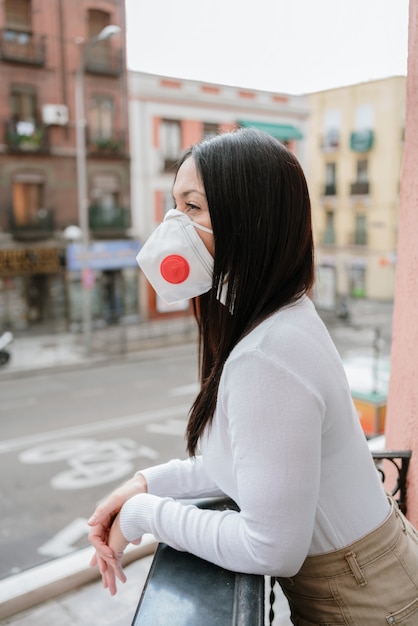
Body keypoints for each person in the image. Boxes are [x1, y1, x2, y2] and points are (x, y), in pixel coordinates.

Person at [88, 128, 418, 624]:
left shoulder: (267, 353)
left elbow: (270, 549)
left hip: (369, 600)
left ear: (249, 219)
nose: (173, 225)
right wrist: (143, 484)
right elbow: (251, 463)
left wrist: (145, 515)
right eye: (173, 207)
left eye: (193, 207)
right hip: (375, 575)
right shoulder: (282, 318)